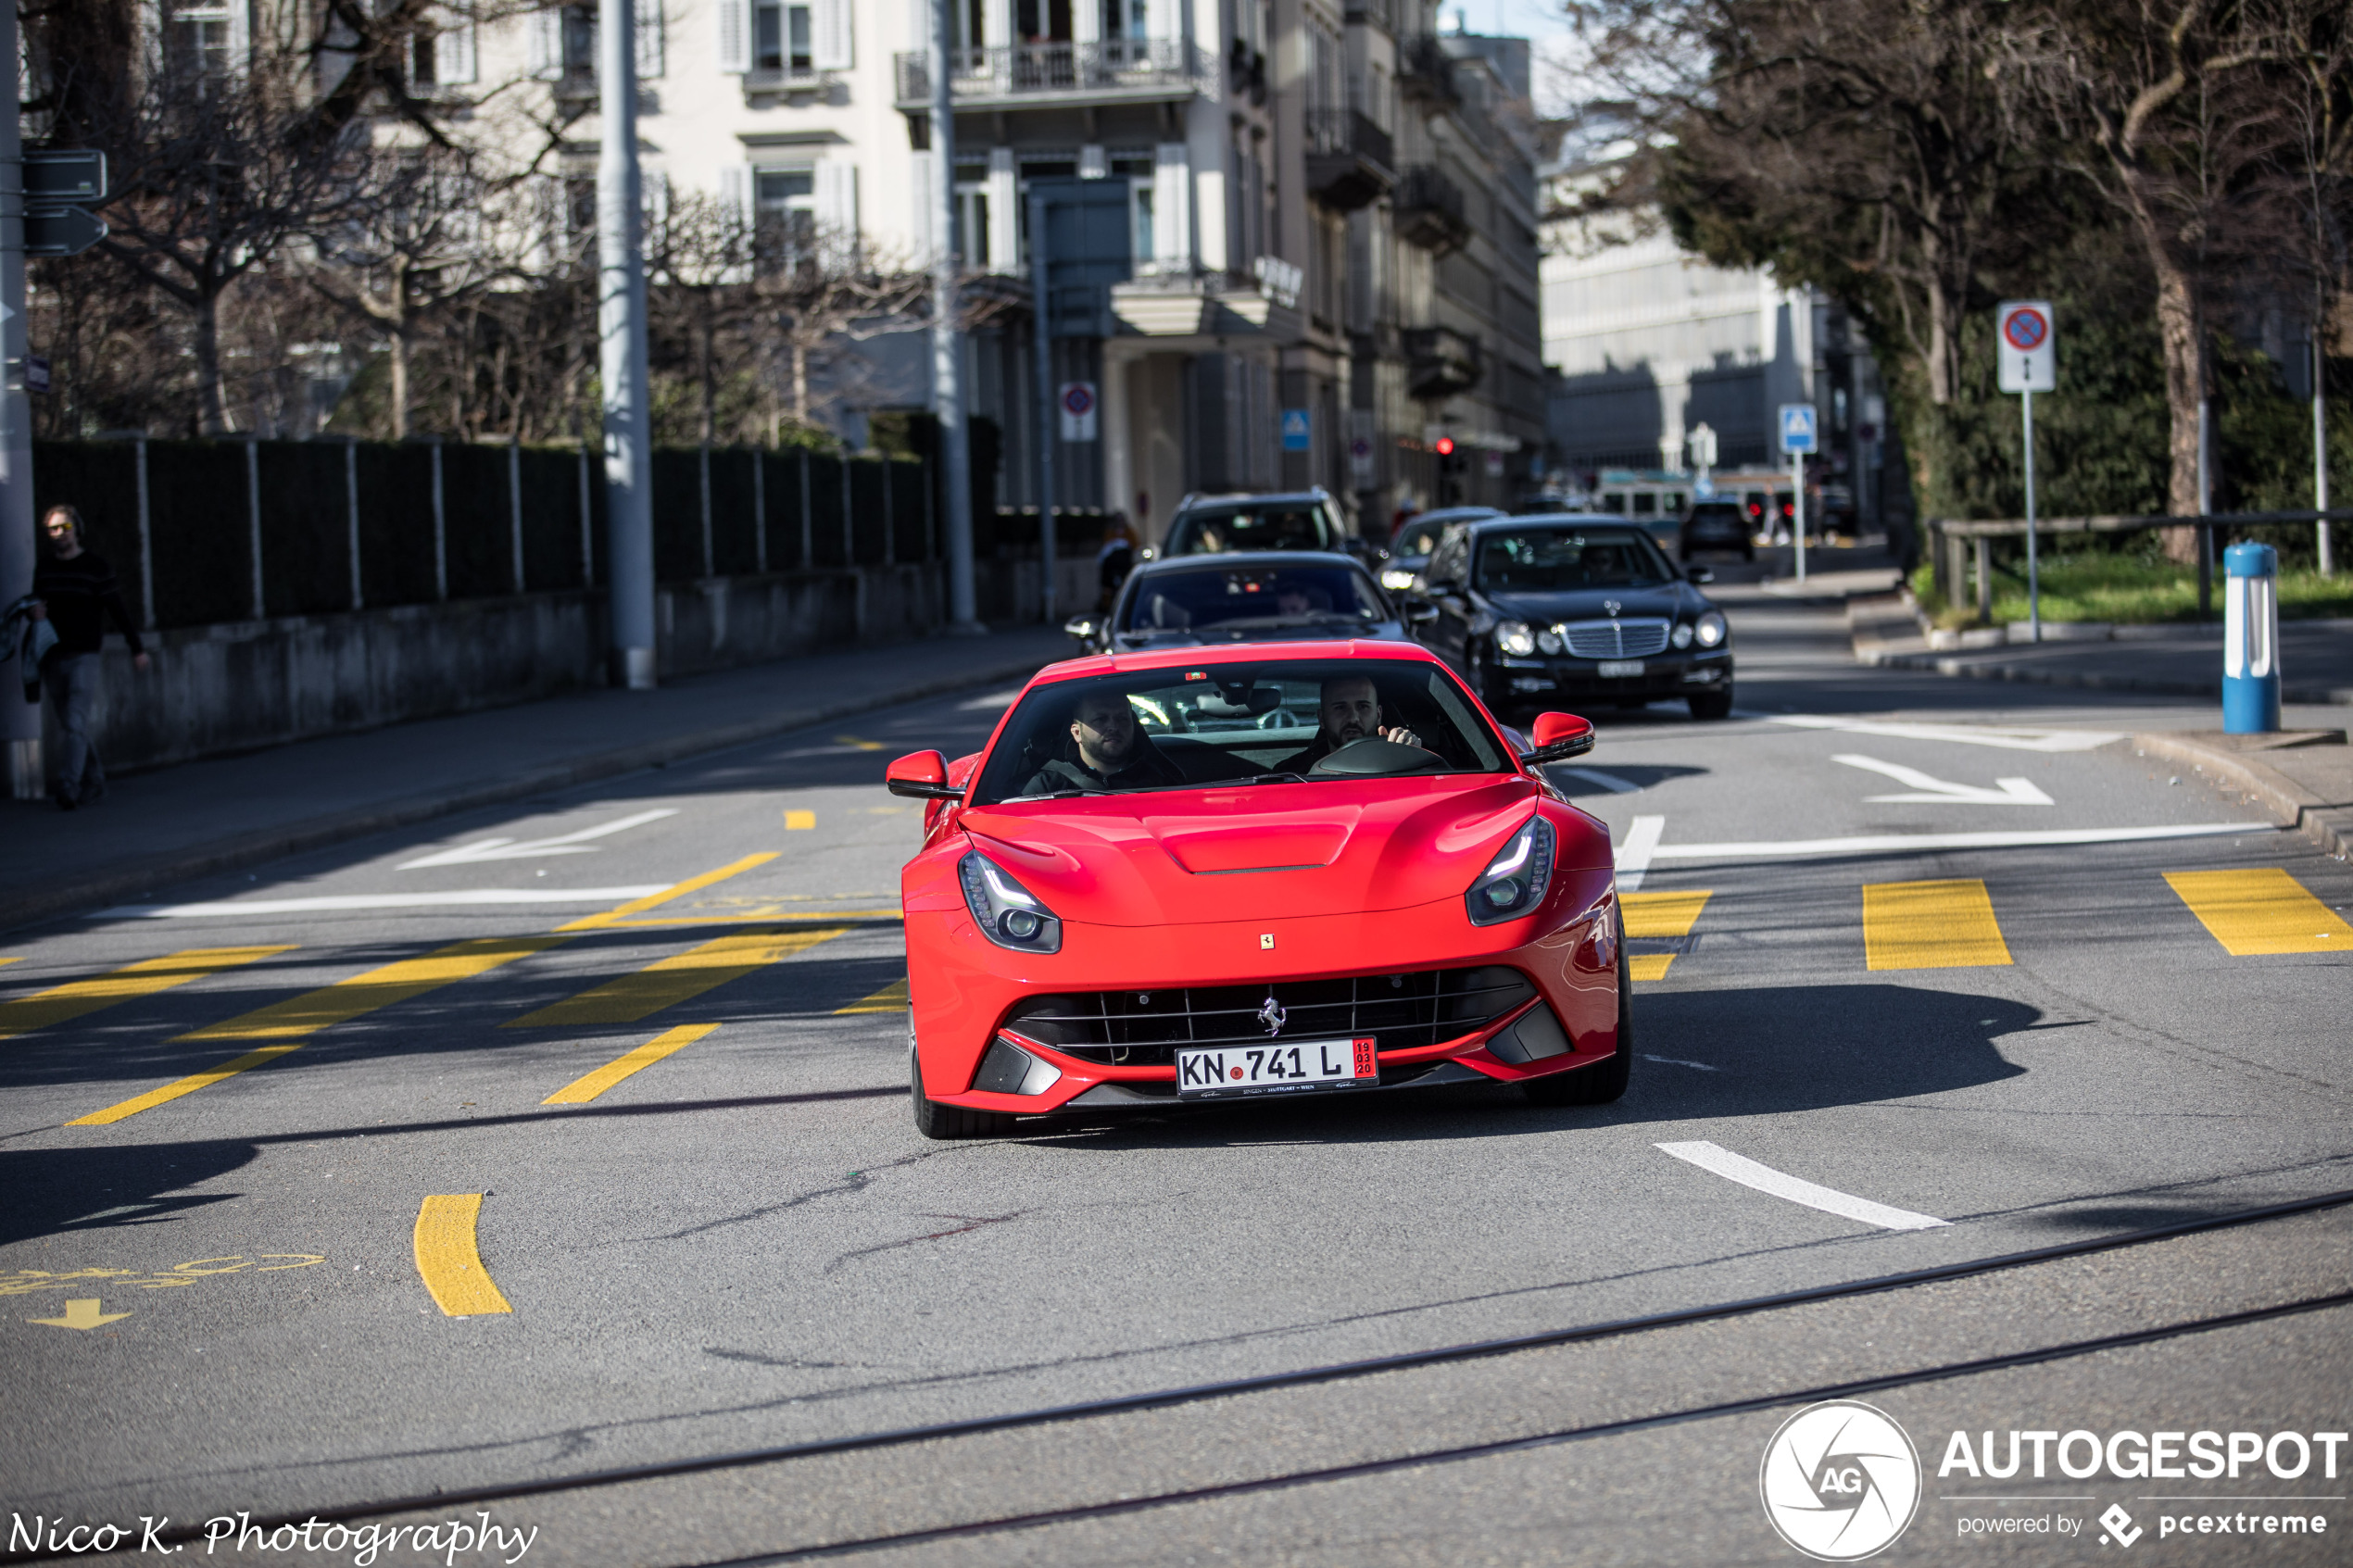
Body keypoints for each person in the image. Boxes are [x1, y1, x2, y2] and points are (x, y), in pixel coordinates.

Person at [31, 504, 148, 810]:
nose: (59, 535)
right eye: (52, 530)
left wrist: (136, 648)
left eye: (64, 528)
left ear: (77, 529)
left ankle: (69, 785)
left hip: (85, 654)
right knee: (72, 725)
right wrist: (36, 615)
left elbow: (117, 609)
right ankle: (94, 778)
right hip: (53, 655)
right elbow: (37, 603)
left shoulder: (95, 567)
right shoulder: (45, 569)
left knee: (75, 720)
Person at [1019, 689, 1182, 796]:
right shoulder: (1046, 788)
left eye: (1122, 718)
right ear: (1077, 733)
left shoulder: (1161, 781)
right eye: (1100, 719)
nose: (1113, 726)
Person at [1272, 674, 1422, 774]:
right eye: (1340, 708)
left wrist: (1412, 757)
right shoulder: (1292, 774)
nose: (1353, 718)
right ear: (1322, 719)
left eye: (1363, 706)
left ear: (1378, 715)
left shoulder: (1400, 759)